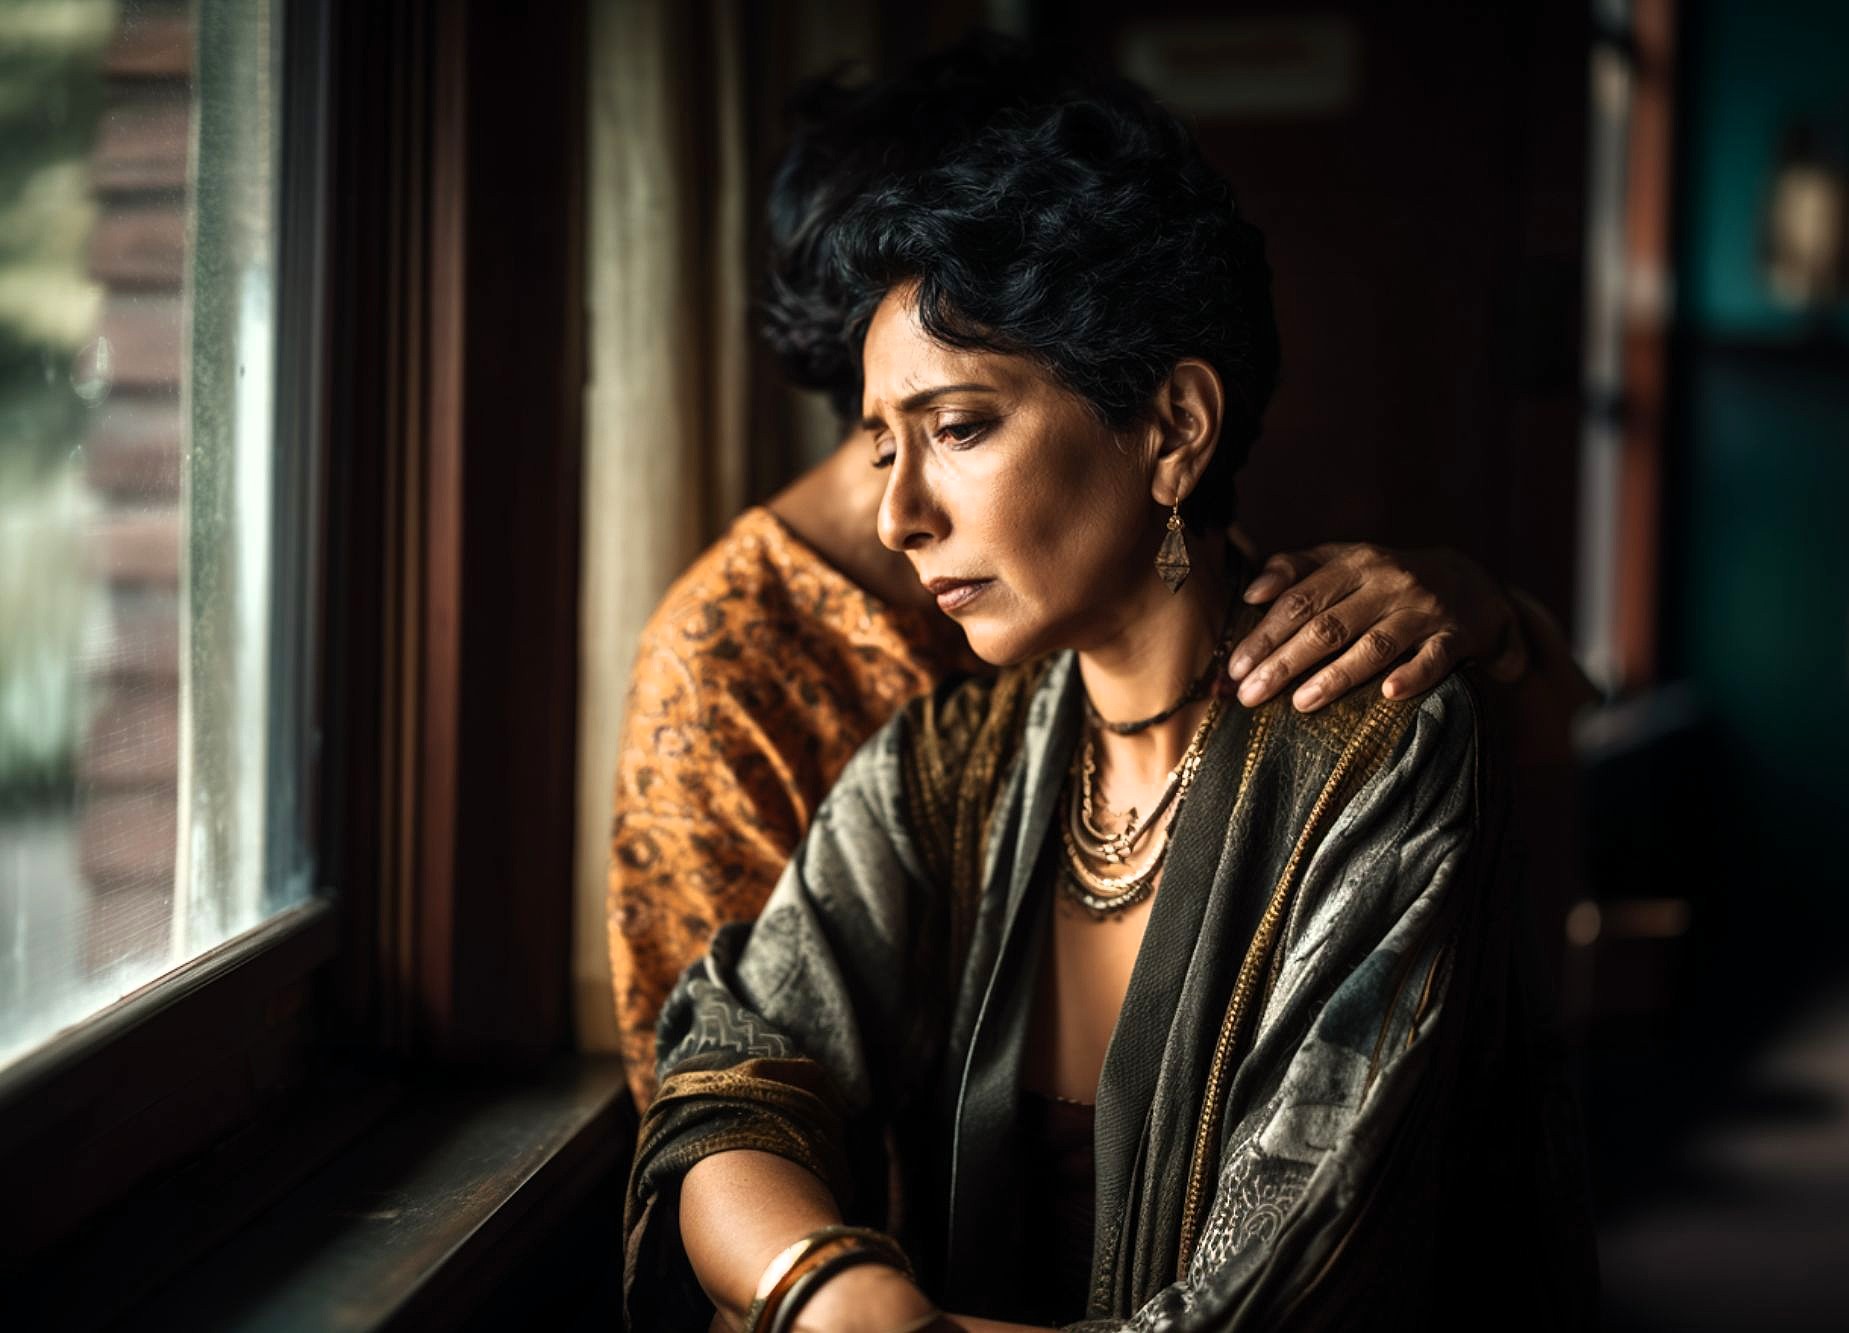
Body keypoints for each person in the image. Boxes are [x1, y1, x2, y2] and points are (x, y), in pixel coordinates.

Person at [621, 66, 1596, 1333]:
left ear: (1173, 428)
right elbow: (725, 1079)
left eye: (958, 426)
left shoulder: (1375, 753)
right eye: (881, 444)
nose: (896, 516)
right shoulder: (944, 764)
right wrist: (837, 1294)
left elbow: (1290, 1277)